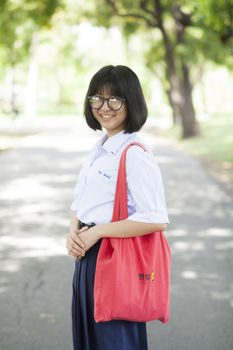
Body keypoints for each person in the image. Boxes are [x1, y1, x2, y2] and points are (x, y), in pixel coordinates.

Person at [66, 65, 169, 350]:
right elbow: (81, 199)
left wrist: (97, 233)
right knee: (90, 339)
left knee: (113, 341)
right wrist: (73, 232)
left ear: (131, 102)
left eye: (114, 100)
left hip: (115, 257)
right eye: (97, 98)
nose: (104, 107)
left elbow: (155, 219)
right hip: (88, 254)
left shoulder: (134, 153)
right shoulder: (99, 147)